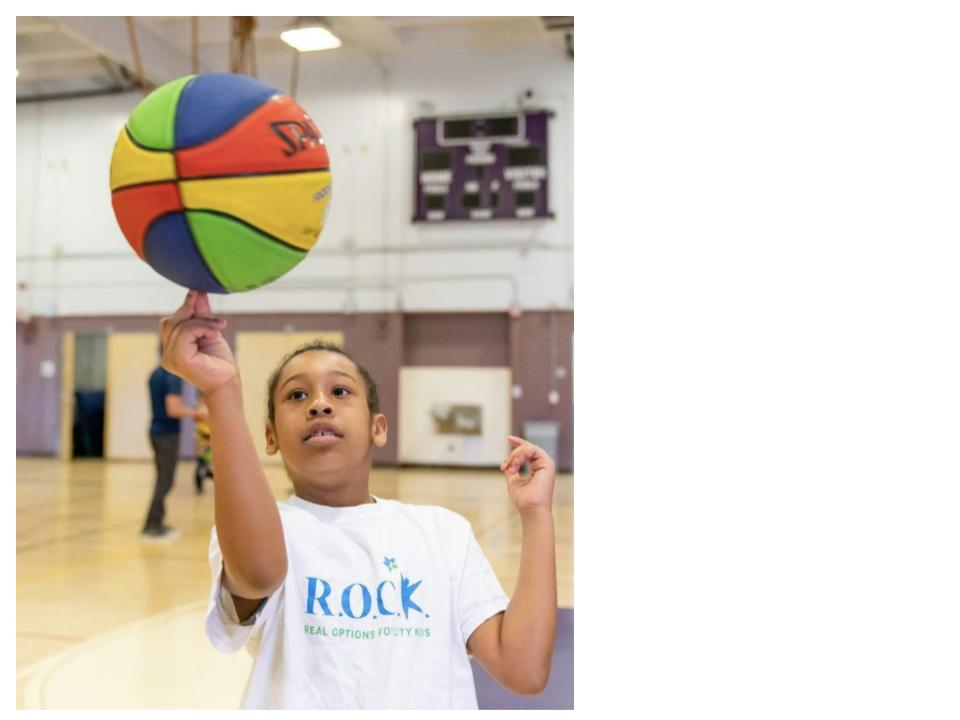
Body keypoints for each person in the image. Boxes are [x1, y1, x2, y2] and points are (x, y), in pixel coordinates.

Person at [159, 290, 558, 709]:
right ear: (271, 437)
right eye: (297, 395)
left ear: (378, 428)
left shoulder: (444, 534)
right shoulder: (262, 530)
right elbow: (258, 574)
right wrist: (222, 389)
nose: (318, 405)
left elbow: (525, 669)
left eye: (340, 392)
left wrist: (536, 515)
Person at [141, 343, 207, 540]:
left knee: (163, 479)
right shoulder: (171, 377)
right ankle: (152, 525)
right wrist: (199, 413)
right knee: (165, 481)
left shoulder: (155, 374)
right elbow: (173, 409)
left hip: (156, 432)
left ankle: (156, 522)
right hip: (167, 436)